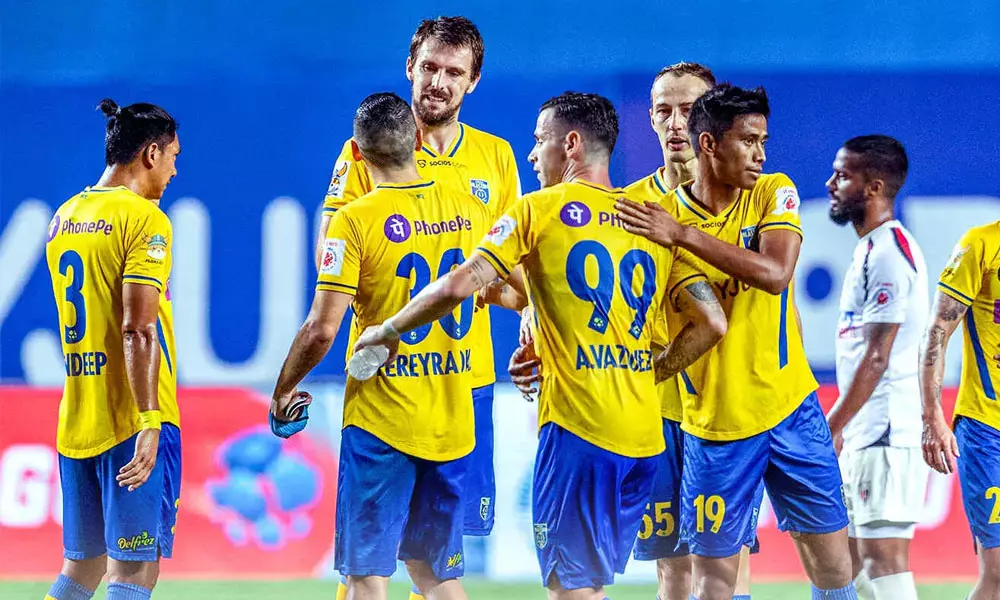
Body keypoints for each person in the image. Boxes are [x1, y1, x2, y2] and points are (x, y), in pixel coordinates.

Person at [352, 91, 727, 600]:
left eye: (540, 141)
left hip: (580, 432)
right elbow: (712, 322)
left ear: (570, 145)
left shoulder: (538, 210)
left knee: (570, 590)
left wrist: (390, 328)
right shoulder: (649, 220)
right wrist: (645, 372)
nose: (532, 155)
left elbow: (461, 284)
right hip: (643, 439)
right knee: (590, 585)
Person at [508, 62, 758, 600]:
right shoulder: (632, 207)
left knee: (724, 565)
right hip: (654, 410)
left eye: (688, 110)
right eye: (663, 111)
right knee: (672, 566)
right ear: (649, 119)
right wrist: (534, 321)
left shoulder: (754, 198)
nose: (675, 123)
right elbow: (575, 289)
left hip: (728, 407)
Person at [616, 84, 857, 600]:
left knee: (835, 568)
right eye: (748, 141)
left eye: (763, 141)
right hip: (714, 425)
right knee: (712, 582)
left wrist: (683, 235)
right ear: (709, 144)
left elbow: (775, 273)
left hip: (790, 408)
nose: (760, 153)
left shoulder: (772, 191)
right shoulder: (655, 218)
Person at [317, 21, 520, 598]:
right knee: (374, 560)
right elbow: (332, 246)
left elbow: (513, 263)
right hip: (390, 382)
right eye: (430, 67)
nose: (438, 82)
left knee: (429, 559)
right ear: (410, 67)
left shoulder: (496, 156)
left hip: (465, 380)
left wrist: (524, 311)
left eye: (454, 72)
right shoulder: (366, 151)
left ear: (473, 81)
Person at [270, 92, 492, 600]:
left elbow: (321, 328)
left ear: (357, 153)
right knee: (435, 576)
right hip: (453, 422)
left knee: (366, 577)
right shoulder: (470, 209)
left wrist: (284, 389)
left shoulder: (354, 220)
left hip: (382, 421)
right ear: (416, 141)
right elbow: (504, 288)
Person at [42, 98, 181, 600]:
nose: (173, 172)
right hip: (130, 420)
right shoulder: (145, 220)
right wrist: (149, 421)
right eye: (172, 157)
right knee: (134, 573)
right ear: (150, 153)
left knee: (82, 569)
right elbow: (137, 329)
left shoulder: (65, 216)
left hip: (78, 419)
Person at [824, 135, 929, 600]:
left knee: (881, 561)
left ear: (874, 187)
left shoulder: (888, 254)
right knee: (845, 564)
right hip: (867, 430)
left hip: (886, 430)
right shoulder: (870, 249)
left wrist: (833, 425)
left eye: (842, 176)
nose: (830, 184)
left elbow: (878, 355)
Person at [920, 219, 1000, 600]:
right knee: (998, 573)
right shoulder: (980, 245)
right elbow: (938, 328)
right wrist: (932, 415)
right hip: (988, 430)